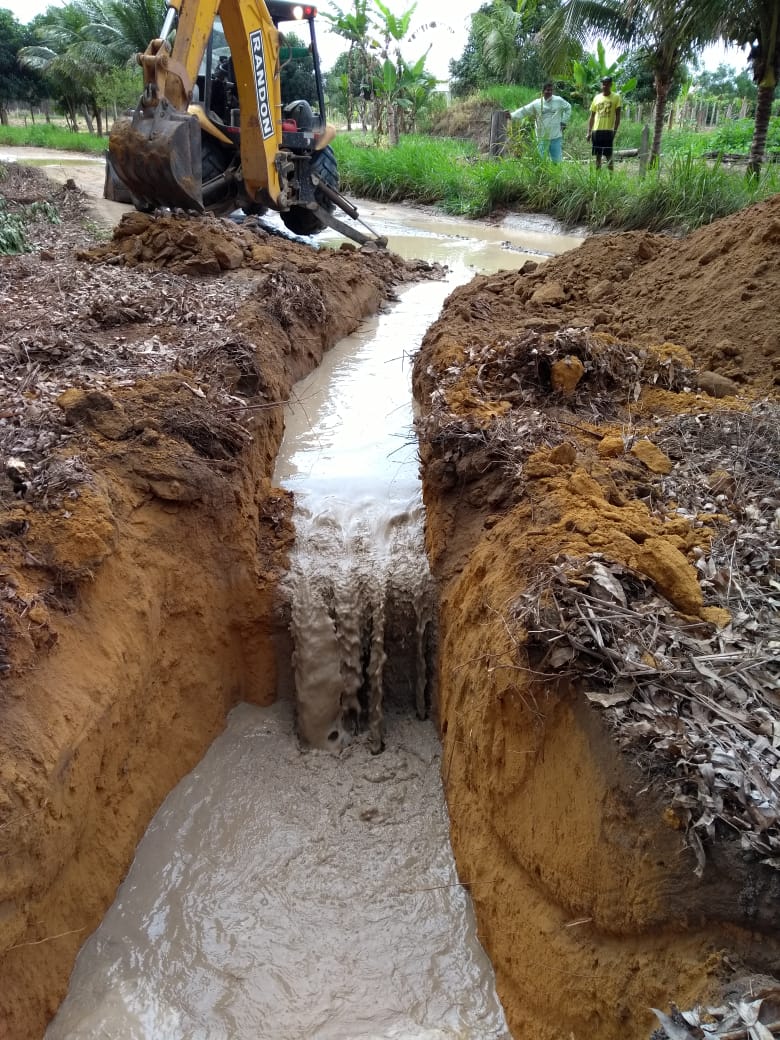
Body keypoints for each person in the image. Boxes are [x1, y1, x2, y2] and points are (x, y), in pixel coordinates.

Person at [508, 82, 572, 163]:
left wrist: (564, 122)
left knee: (557, 161)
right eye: (547, 90)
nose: (549, 92)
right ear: (543, 91)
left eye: (551, 90)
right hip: (542, 137)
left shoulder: (558, 100)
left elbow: (568, 107)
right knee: (541, 162)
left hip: (555, 136)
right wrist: (511, 115)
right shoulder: (536, 103)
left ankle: (556, 175)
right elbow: (524, 111)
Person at [586, 76, 622, 170]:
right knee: (597, 156)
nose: (604, 86)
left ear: (611, 85)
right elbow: (592, 116)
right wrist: (589, 132)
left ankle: (611, 178)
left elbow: (618, 116)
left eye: (607, 84)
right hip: (596, 131)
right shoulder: (596, 98)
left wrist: (614, 131)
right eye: (603, 84)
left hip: (608, 131)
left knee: (609, 156)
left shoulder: (616, 97)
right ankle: (597, 178)